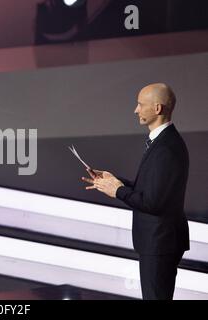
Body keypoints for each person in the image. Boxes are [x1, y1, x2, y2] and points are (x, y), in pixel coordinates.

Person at [82, 83, 190, 300]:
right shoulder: (162, 142)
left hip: (160, 242)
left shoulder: (166, 148)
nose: (136, 110)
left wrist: (118, 191)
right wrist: (115, 181)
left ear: (157, 108)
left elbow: (153, 202)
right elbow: (152, 190)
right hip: (158, 241)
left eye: (141, 105)